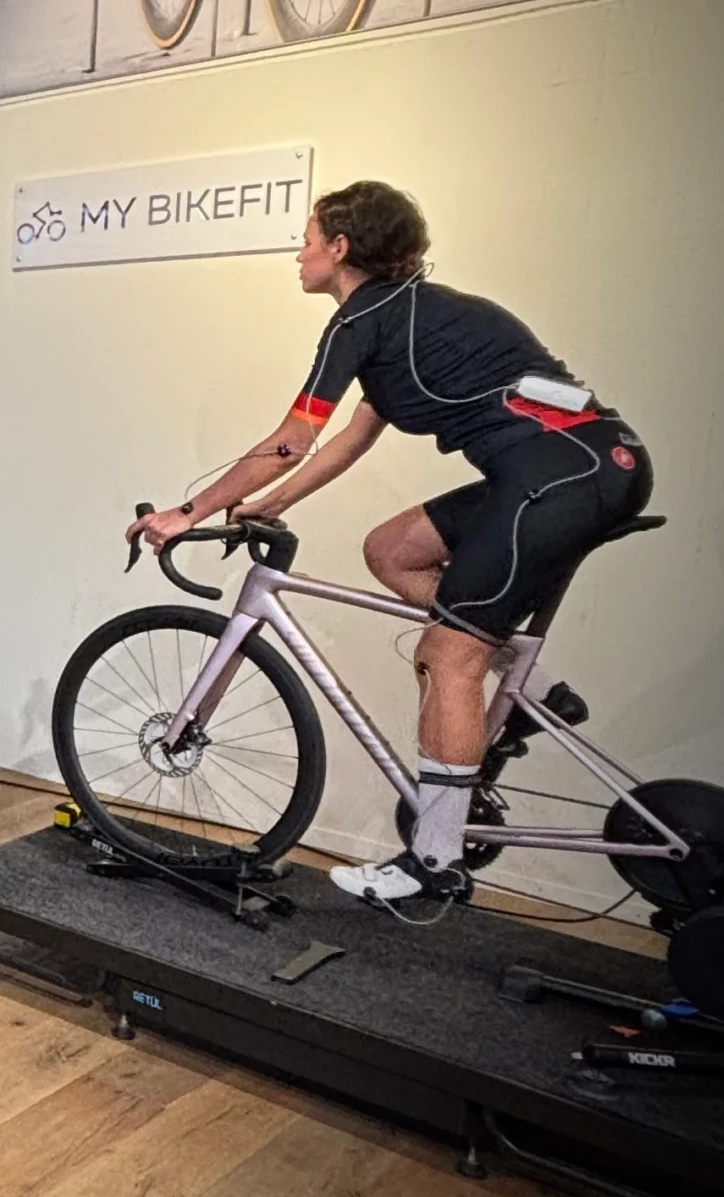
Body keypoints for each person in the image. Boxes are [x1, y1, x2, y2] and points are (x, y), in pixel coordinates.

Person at [127, 182, 652, 905]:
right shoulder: (410, 317)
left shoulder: (362, 319)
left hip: (566, 476)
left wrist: (189, 511)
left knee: (447, 655)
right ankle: (529, 689)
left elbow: (292, 439)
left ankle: (434, 860)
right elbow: (351, 437)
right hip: (576, 468)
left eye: (307, 239)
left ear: (341, 247)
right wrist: (269, 506)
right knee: (391, 549)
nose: (299, 253)